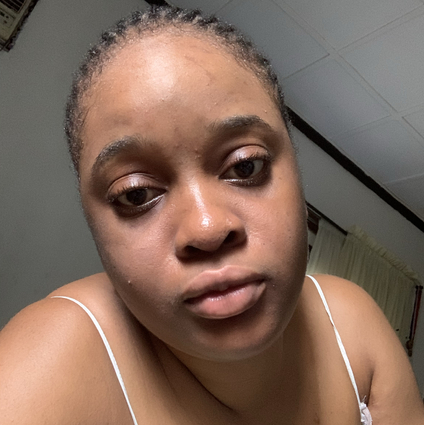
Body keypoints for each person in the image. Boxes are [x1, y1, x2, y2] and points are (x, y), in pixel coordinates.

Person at [0, 6, 423, 424]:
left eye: (246, 166)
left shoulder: (351, 321)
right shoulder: (51, 366)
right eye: (136, 193)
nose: (207, 228)